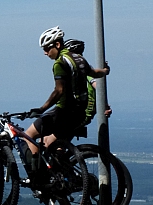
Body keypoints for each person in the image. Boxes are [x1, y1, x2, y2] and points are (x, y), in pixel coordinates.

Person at [22, 28, 109, 160]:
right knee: (57, 144)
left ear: (57, 45)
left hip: (64, 112)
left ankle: (37, 176)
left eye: (46, 49)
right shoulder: (79, 58)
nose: (45, 53)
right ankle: (62, 172)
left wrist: (41, 109)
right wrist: (105, 71)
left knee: (28, 135)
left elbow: (59, 91)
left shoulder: (60, 63)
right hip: (80, 112)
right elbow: (95, 73)